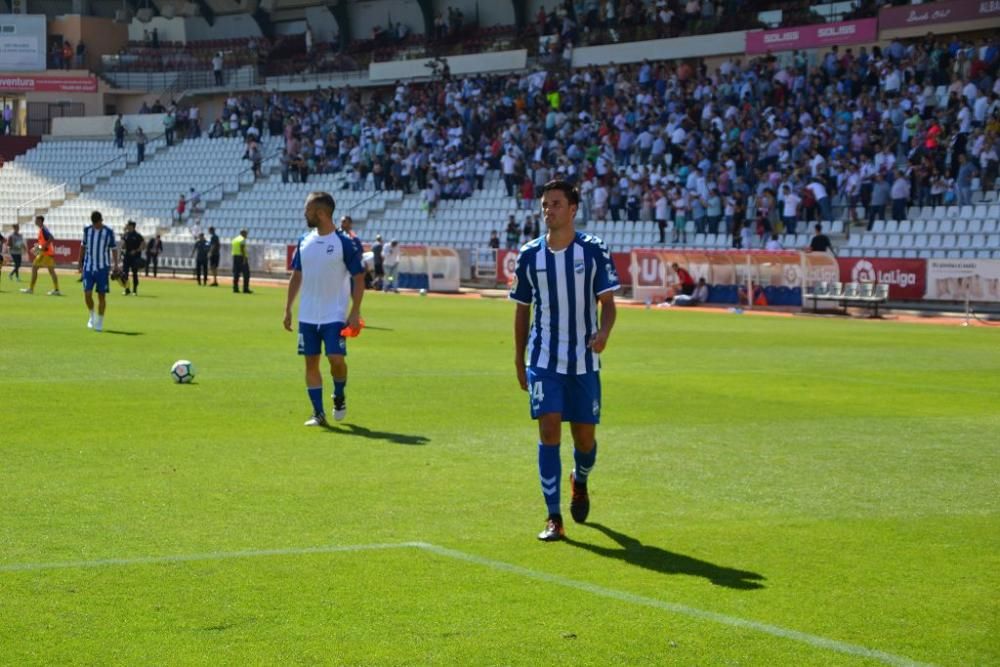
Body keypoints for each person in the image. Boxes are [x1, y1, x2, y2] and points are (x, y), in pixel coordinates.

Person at [510, 179, 620, 542]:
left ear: (573, 209)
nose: (548, 211)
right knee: (548, 431)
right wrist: (518, 356)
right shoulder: (530, 254)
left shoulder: (593, 251)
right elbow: (522, 309)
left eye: (555, 204)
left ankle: (581, 479)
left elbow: (609, 305)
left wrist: (603, 334)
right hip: (543, 359)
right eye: (544, 205)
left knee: (585, 441)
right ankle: (553, 517)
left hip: (584, 361)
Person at [283, 191, 366, 426]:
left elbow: (359, 278)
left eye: (307, 209)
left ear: (320, 213)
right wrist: (288, 308)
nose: (304, 213)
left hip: (335, 313)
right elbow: (296, 275)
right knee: (311, 363)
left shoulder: (344, 243)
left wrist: (355, 310)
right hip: (307, 315)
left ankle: (339, 395)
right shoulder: (304, 240)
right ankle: (318, 413)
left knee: (336, 359)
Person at [80, 211, 119, 332]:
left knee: (101, 296)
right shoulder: (87, 230)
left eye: (99, 223)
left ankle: (100, 321)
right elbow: (83, 246)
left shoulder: (108, 232)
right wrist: (80, 263)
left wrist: (116, 265)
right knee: (87, 293)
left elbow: (113, 249)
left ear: (101, 221)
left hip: (102, 268)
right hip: (88, 266)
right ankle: (92, 316)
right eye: (95, 224)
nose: (97, 226)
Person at [21, 216, 61, 295]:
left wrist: (42, 247)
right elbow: (44, 242)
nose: (35, 221)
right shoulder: (42, 229)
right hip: (46, 253)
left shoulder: (43, 229)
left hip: (45, 254)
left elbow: (51, 238)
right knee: (50, 271)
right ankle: (56, 290)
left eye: (36, 220)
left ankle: (31, 289)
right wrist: (37, 248)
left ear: (40, 220)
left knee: (35, 268)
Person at [121, 220, 144, 295]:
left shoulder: (138, 235)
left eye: (128, 225)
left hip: (135, 257)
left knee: (134, 273)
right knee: (125, 273)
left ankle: (134, 290)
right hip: (127, 256)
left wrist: (136, 250)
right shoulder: (126, 234)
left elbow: (143, 245)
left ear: (132, 226)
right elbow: (123, 246)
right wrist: (123, 238)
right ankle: (127, 289)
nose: (127, 226)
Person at [231, 228, 251, 293]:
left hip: (235, 257)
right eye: (246, 233)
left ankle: (235, 288)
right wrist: (244, 258)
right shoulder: (242, 239)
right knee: (246, 273)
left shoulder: (235, 239)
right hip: (241, 257)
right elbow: (242, 248)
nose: (247, 235)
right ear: (243, 233)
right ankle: (245, 289)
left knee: (236, 273)